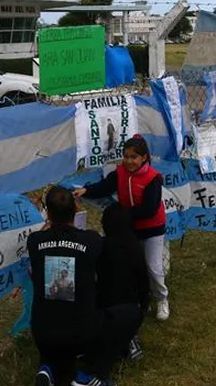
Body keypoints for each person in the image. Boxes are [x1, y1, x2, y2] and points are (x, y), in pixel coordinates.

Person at [28, 186, 129, 386]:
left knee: (55, 334)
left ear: (47, 212)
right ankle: (91, 373)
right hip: (82, 333)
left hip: (42, 331)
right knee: (128, 313)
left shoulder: (34, 241)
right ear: (75, 210)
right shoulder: (91, 240)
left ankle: (47, 368)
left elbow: (43, 235)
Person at [73, 134, 170, 321]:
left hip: (152, 230)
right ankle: (138, 297)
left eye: (134, 157)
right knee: (130, 265)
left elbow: (149, 209)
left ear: (144, 158)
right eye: (126, 156)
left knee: (152, 267)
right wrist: (86, 190)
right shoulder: (120, 172)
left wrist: (123, 215)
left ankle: (162, 298)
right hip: (129, 229)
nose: (129, 161)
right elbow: (105, 186)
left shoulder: (153, 178)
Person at [98, 203, 149, 360]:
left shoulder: (102, 247)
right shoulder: (136, 248)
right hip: (132, 309)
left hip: (105, 308)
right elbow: (143, 283)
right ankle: (130, 338)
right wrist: (144, 305)